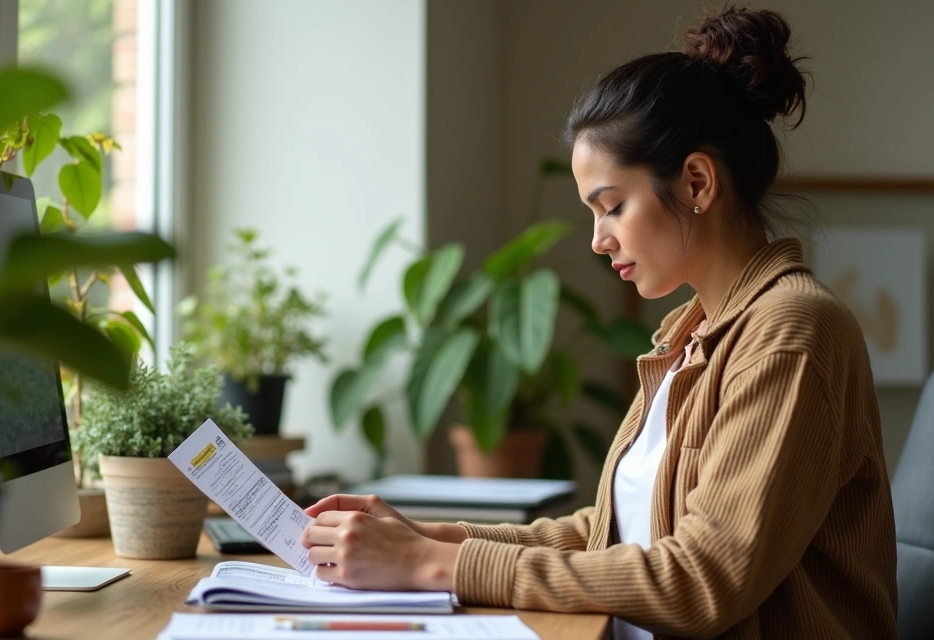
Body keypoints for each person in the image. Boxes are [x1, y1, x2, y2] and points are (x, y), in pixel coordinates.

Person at [300, 6, 898, 639]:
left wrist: (430, 565)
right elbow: (611, 534)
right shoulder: (690, 336)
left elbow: (703, 580)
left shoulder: (790, 333)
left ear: (697, 181)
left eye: (611, 206)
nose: (597, 240)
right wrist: (430, 537)